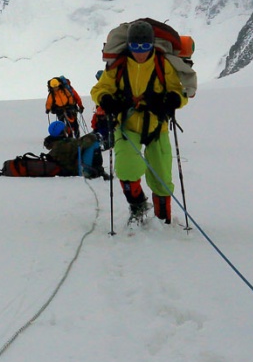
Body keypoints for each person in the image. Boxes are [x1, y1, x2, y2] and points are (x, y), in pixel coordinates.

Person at [89, 20, 188, 224]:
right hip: (127, 125)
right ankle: (138, 206)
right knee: (126, 168)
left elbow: (178, 91)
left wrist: (173, 100)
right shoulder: (118, 65)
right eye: (135, 46)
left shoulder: (163, 65)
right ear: (129, 45)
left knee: (162, 176)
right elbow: (100, 88)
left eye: (145, 46)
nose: (140, 51)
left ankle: (163, 219)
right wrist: (105, 99)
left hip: (156, 126)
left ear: (152, 44)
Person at [43, 120, 108, 179]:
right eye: (65, 129)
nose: (68, 130)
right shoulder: (62, 145)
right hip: (74, 170)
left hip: (70, 168)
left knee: (91, 144)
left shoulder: (57, 144)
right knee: (94, 144)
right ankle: (89, 171)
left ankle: (95, 169)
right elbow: (82, 143)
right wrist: (94, 136)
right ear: (62, 132)